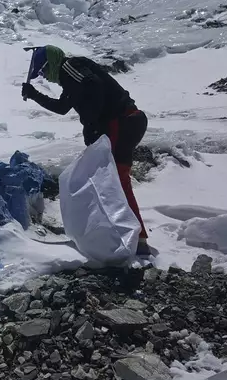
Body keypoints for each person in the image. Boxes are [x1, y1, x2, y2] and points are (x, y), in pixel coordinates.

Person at [21, 45, 150, 256]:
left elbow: (94, 84)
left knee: (117, 181)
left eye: (43, 70)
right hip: (127, 121)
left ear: (51, 62)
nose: (44, 75)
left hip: (122, 121)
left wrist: (93, 125)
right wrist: (34, 94)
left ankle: (136, 239)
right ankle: (130, 235)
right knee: (114, 180)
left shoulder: (70, 66)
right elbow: (63, 108)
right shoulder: (70, 80)